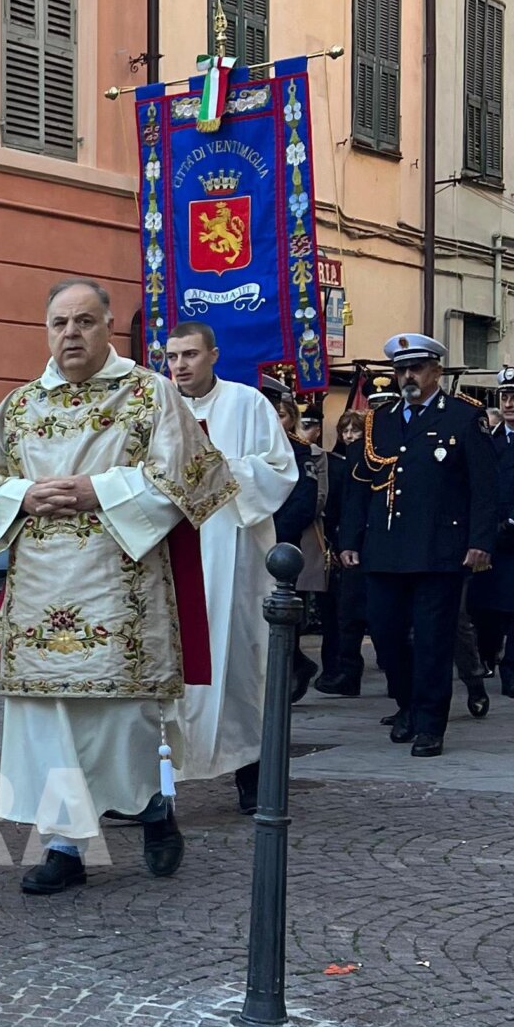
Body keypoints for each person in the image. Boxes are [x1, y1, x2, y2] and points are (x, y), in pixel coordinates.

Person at [0, 278, 233, 895]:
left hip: (119, 585)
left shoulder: (150, 395)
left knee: (119, 718)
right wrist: (23, 493)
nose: (70, 334)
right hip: (39, 593)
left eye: (83, 322)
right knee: (46, 722)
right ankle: (63, 846)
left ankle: (151, 806)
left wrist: (97, 490)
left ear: (107, 328)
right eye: (58, 324)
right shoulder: (20, 406)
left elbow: (196, 478)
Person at [338, 333, 499, 757]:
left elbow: (484, 488)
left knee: (431, 640)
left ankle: (430, 724)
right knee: (387, 637)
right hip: (385, 548)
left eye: (418, 368)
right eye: (402, 369)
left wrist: (480, 541)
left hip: (438, 548)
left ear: (436, 372)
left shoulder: (464, 418)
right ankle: (406, 704)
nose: (408, 376)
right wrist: (350, 539)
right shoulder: (380, 419)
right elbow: (360, 486)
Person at [162, 323, 300, 815]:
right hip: (172, 552)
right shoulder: (156, 407)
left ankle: (253, 774)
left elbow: (281, 470)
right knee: (168, 669)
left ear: (214, 355)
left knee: (241, 665)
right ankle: (153, 786)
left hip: (234, 554)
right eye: (172, 356)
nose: (180, 365)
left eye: (190, 354)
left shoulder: (247, 405)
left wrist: (218, 468)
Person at [468, 365, 514, 698]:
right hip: (488, 531)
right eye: (505, 397)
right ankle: (485, 658)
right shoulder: (487, 440)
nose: (509, 404)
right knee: (484, 604)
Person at [264, 377, 326, 702]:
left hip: (279, 548)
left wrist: (270, 533)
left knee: (282, 620)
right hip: (243, 547)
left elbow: (304, 502)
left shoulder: (298, 450)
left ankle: (290, 670)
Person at [315, 410, 370, 696]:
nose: (349, 436)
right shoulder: (336, 463)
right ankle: (345, 671)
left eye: (355, 431)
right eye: (345, 430)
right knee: (342, 614)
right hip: (341, 542)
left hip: (369, 542)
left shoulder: (369, 461)